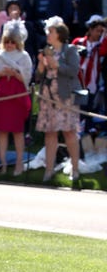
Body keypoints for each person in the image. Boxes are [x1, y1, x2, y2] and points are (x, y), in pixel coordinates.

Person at [35, 18, 81, 183]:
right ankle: (49, 170)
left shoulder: (70, 50)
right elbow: (39, 76)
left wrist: (56, 65)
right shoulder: (47, 50)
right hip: (48, 97)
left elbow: (74, 71)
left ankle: (75, 170)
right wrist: (41, 65)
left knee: (69, 132)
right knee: (50, 133)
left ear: (59, 34)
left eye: (51, 31)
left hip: (65, 97)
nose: (48, 34)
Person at [0, 20, 33, 175]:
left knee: (18, 132)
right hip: (2, 96)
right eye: (7, 41)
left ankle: (19, 164)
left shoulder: (24, 56)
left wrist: (14, 73)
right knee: (2, 131)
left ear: (18, 42)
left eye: (13, 42)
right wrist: (0, 73)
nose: (9, 45)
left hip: (17, 97)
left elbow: (27, 78)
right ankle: (3, 164)